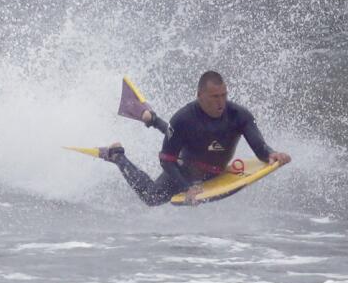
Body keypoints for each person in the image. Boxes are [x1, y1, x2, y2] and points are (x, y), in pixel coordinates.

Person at [100, 70, 292, 206]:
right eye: (214, 96)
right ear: (200, 95)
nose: (221, 102)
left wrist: (272, 154)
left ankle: (153, 119)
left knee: (184, 136)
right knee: (151, 198)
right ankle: (118, 156)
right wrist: (187, 187)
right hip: (185, 170)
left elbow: (260, 148)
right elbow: (166, 161)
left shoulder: (239, 115)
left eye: (224, 95)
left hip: (215, 171)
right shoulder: (183, 118)